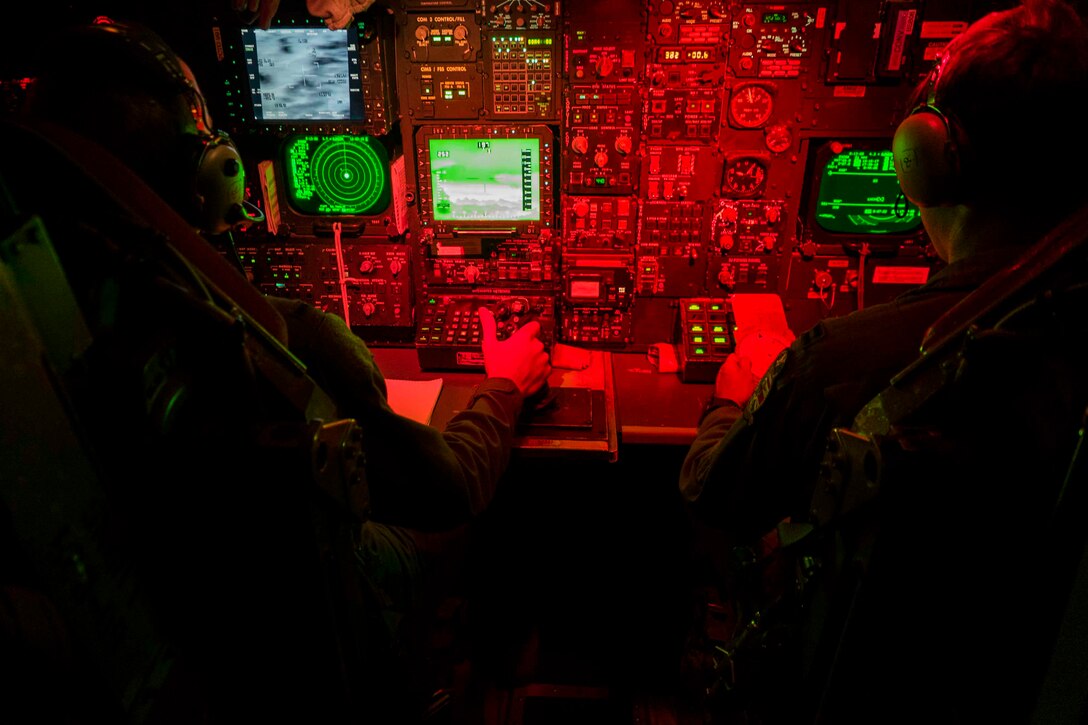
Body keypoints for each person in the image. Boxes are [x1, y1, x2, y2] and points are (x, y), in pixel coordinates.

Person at [2, 15, 550, 723]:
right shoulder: (253, 331)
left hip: (195, 623)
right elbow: (443, 489)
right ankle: (493, 661)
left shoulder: (45, 298)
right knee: (474, 515)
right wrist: (504, 384)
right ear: (213, 171)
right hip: (314, 601)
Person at [679, 0, 1088, 721]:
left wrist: (735, 391)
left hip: (830, 671)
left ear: (926, 159)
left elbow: (714, 493)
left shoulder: (841, 361)